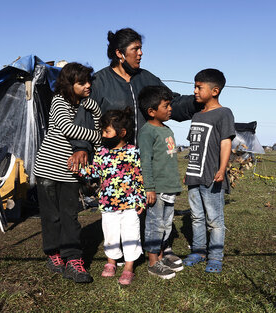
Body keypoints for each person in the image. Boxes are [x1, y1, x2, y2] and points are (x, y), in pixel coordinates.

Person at [68, 27, 201, 171]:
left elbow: (171, 103)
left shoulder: (147, 79)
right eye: (135, 49)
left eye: (141, 48)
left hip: (147, 162)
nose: (140, 53)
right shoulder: (99, 82)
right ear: (119, 53)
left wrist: (198, 102)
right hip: (112, 164)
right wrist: (81, 147)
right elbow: (85, 117)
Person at [33, 62, 101, 283]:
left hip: (72, 172)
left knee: (70, 217)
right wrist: (99, 138)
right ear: (69, 84)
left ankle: (73, 259)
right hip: (48, 169)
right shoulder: (59, 101)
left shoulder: (87, 105)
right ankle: (53, 254)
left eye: (88, 81)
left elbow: (99, 125)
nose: (88, 85)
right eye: (82, 83)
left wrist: (96, 111)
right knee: (51, 216)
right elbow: (69, 129)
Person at [77, 107, 145, 285]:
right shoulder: (101, 152)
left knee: (131, 233)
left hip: (130, 203)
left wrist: (141, 199)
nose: (104, 135)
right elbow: (93, 172)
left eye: (107, 131)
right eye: (103, 131)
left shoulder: (133, 152)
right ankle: (111, 262)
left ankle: (129, 266)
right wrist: (78, 169)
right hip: (107, 203)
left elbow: (139, 177)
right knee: (110, 233)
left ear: (122, 133)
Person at [183, 69, 236, 274]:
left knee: (214, 220)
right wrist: (188, 171)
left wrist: (222, 168)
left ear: (215, 90)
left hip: (213, 175)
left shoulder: (224, 113)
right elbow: (194, 146)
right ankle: (198, 251)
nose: (195, 91)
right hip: (194, 175)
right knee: (196, 216)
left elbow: (225, 143)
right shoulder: (197, 115)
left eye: (199, 87)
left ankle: (215, 256)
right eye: (194, 87)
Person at [137, 85, 184, 280]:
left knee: (166, 224)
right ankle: (153, 261)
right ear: (151, 111)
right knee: (155, 224)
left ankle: (163, 257)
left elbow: (169, 160)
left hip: (170, 187)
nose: (170, 109)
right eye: (166, 106)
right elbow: (145, 162)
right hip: (156, 189)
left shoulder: (167, 129)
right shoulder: (147, 132)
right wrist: (149, 188)